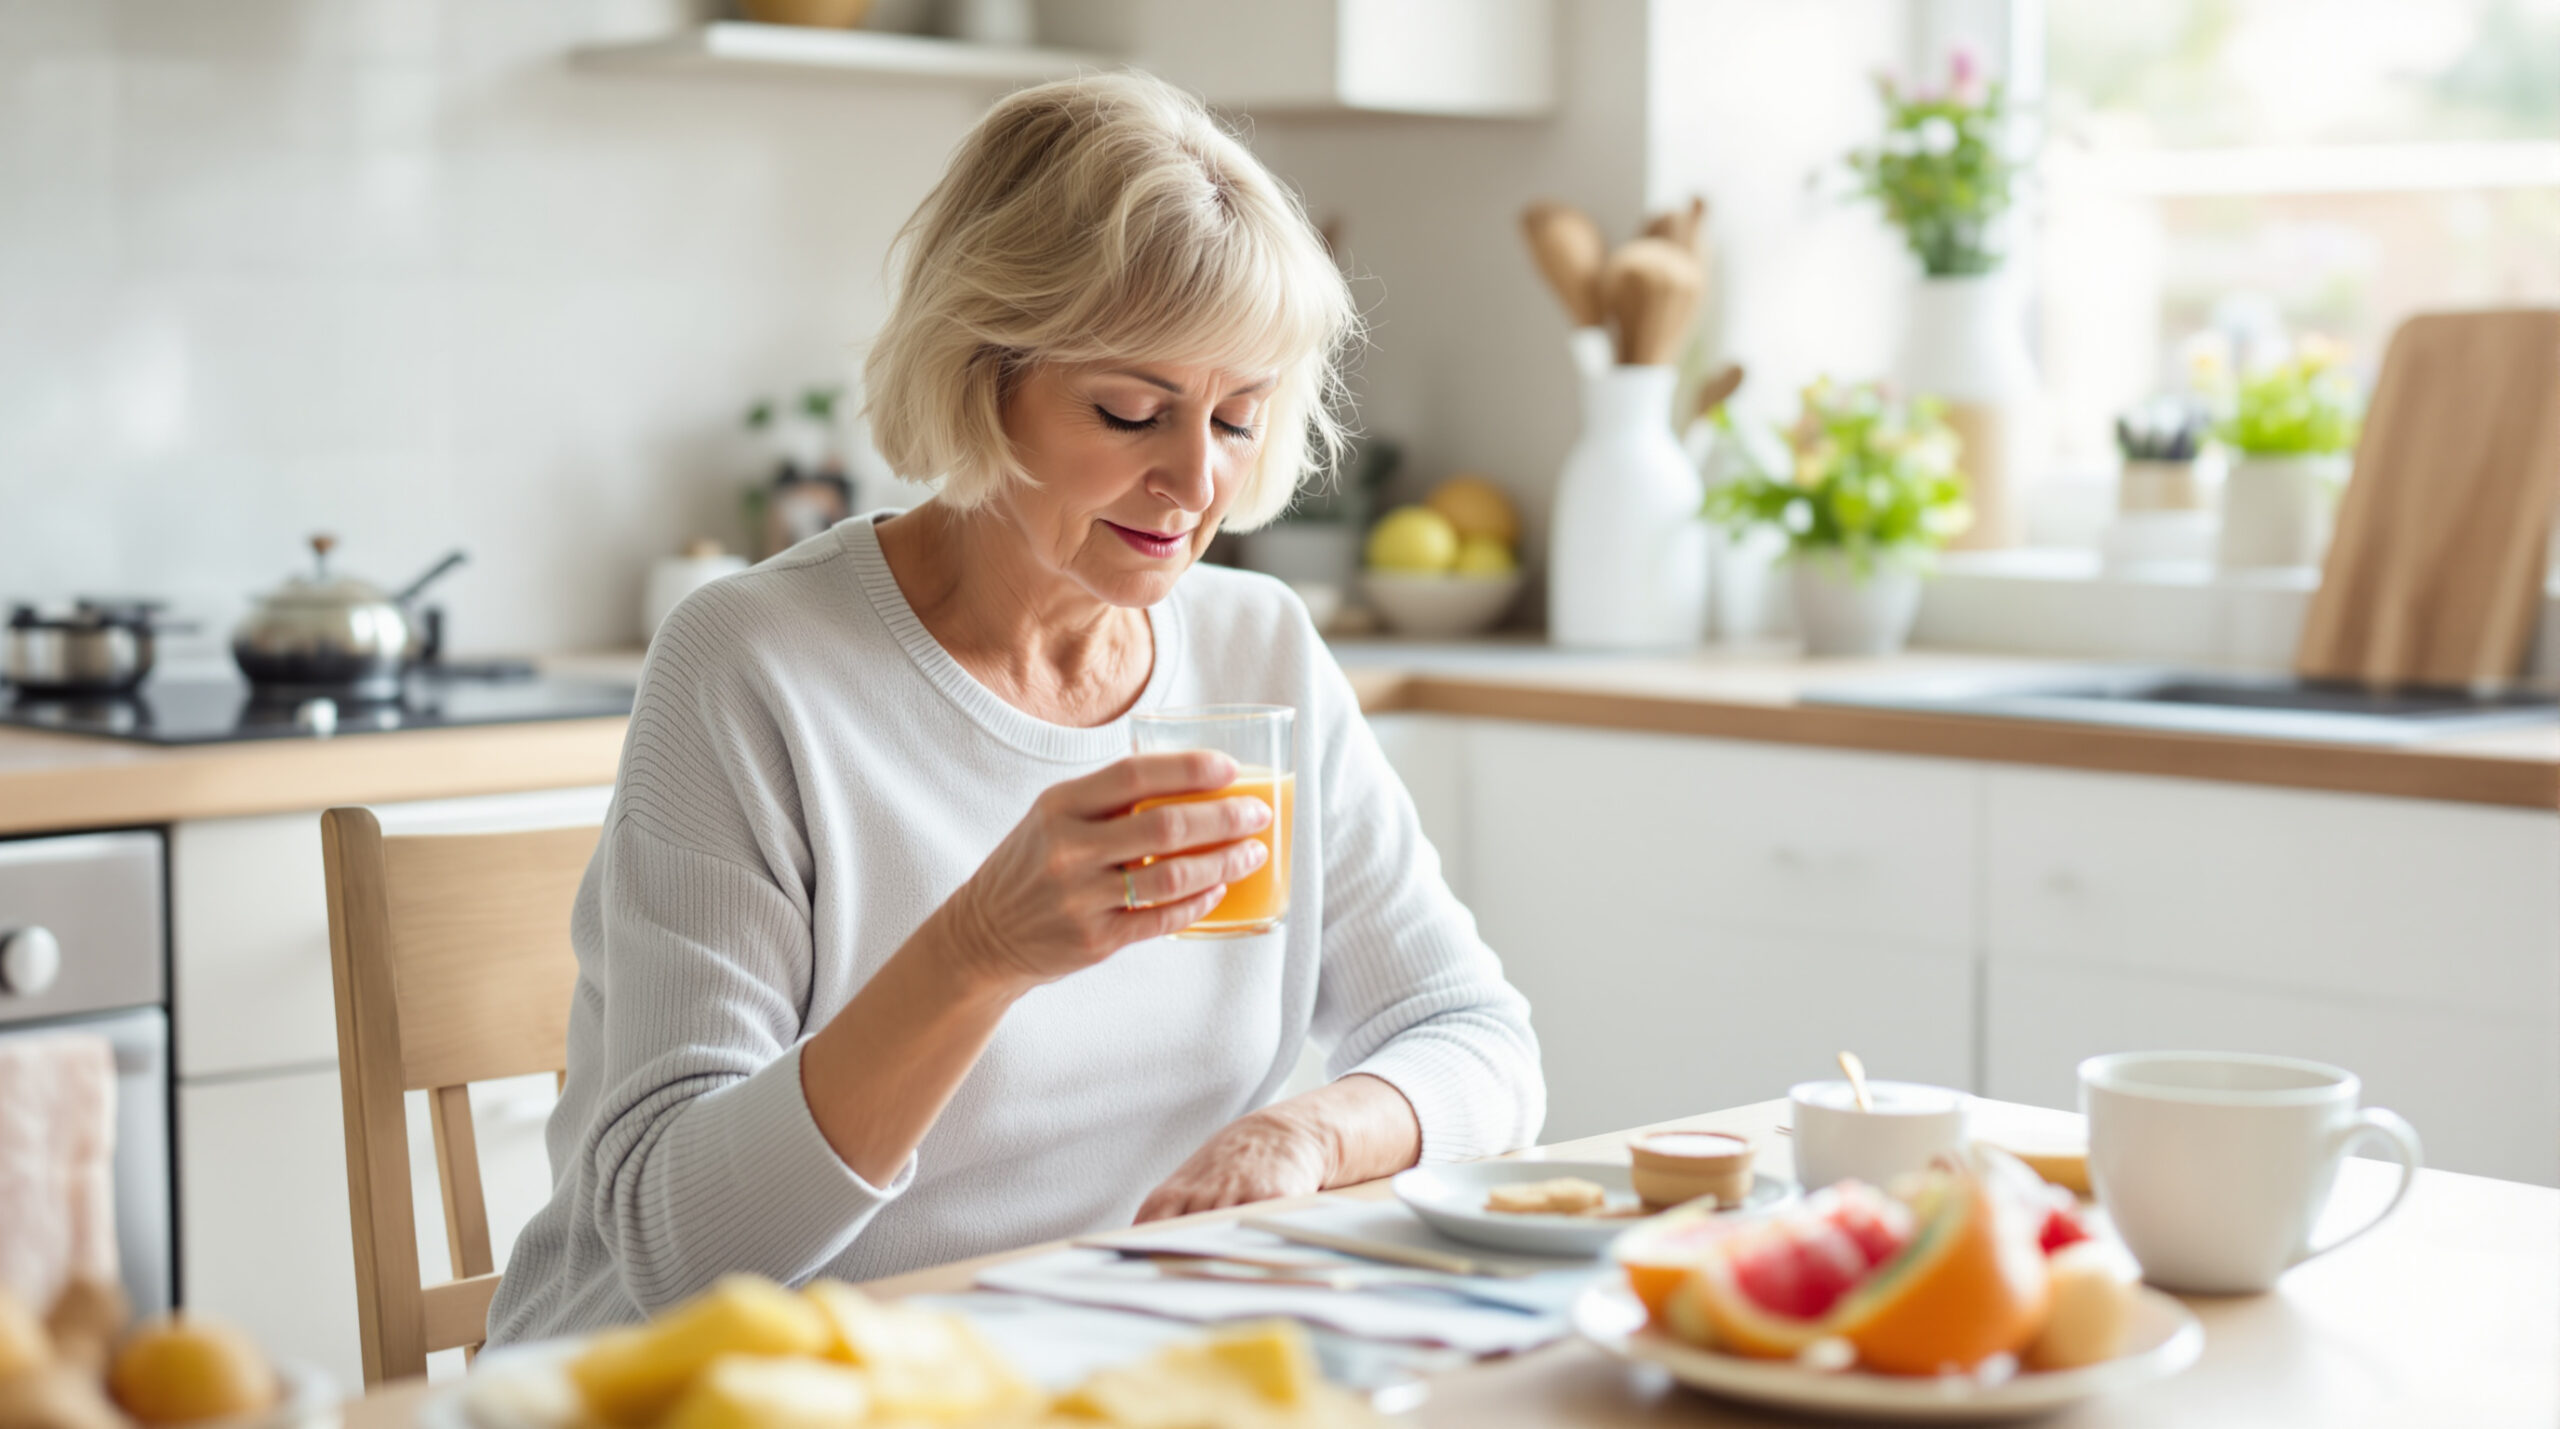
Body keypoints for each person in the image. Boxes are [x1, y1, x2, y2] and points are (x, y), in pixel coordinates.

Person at [489, 71, 1542, 1342]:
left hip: (1060, 1352)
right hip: (712, 1379)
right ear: (981, 376)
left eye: (1239, 418)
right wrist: (977, 949)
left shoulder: (1254, 649)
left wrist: (1306, 1134)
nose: (1194, 481)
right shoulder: (754, 663)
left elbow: (1474, 1037)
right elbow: (678, 1251)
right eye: (1130, 411)